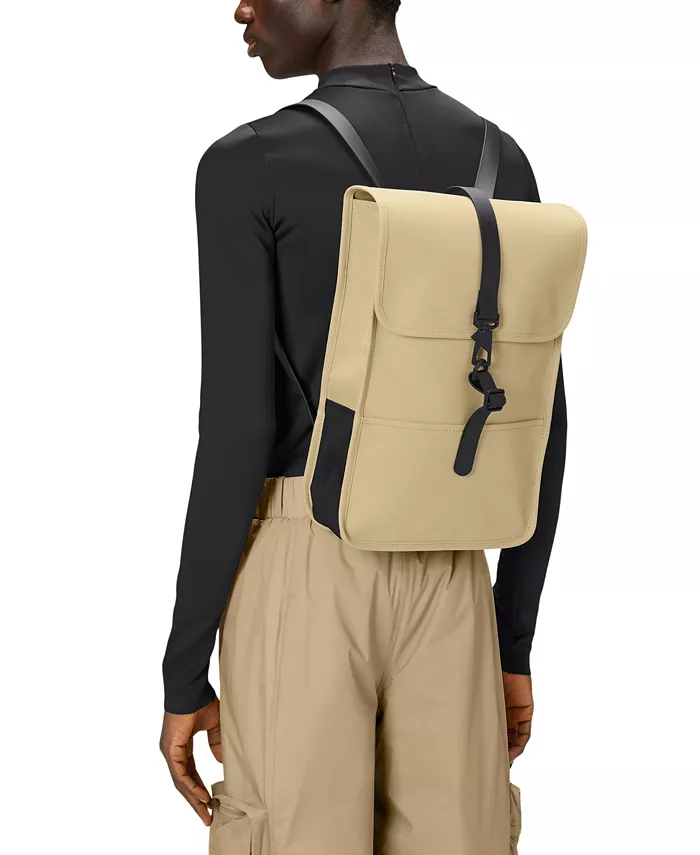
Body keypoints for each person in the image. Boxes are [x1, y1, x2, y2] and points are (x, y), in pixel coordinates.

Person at [160, 0, 567, 852]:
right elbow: (538, 420)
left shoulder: (250, 163)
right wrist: (512, 638)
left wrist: (184, 668)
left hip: (303, 564)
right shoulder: (501, 159)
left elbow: (236, 426)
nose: (241, 7)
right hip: (454, 576)